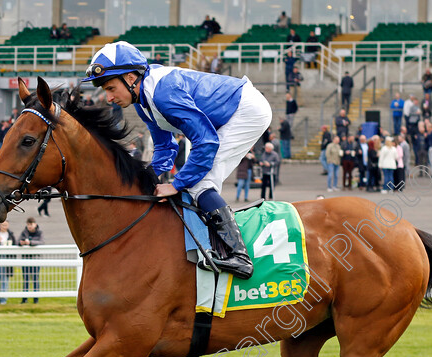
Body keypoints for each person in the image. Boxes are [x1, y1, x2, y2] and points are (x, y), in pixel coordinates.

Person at [84, 41, 272, 279]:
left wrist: (175, 184)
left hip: (246, 111)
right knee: (191, 181)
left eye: (111, 88)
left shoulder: (163, 94)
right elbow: (165, 145)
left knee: (198, 183)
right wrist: (149, 177)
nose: (109, 98)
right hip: (226, 114)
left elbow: (206, 142)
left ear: (131, 77)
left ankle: (239, 256)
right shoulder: (144, 102)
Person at [17, 217, 45, 304]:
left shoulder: (39, 233)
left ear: (35, 224)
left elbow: (41, 242)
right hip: (25, 259)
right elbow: (18, 241)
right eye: (28, 224)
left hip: (35, 259)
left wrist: (30, 242)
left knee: (35, 279)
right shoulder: (24, 232)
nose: (30, 226)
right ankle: (24, 298)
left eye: (31, 224)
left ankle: (35, 299)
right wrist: (21, 243)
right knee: (26, 279)